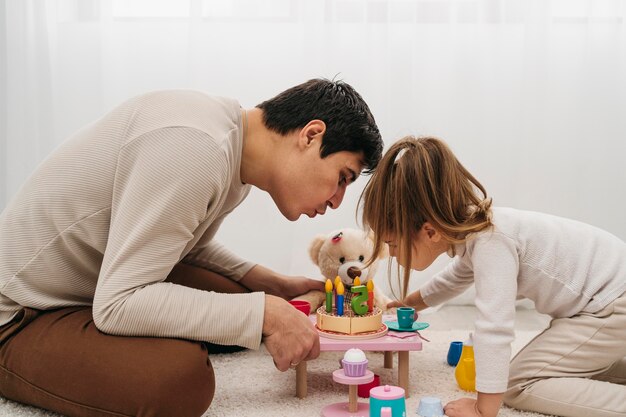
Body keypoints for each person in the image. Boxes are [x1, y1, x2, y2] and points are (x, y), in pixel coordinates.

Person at [0, 78, 383, 417]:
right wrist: (266, 314)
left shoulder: (230, 143)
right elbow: (117, 304)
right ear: (311, 135)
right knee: (182, 378)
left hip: (94, 275)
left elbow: (173, 239)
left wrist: (267, 282)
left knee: (241, 296)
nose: (336, 200)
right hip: (22, 312)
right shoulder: (197, 149)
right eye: (342, 177)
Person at [360, 136, 626, 417]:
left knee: (519, 384)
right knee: (562, 365)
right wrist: (411, 303)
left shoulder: (491, 242)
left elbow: (494, 325)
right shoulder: (480, 233)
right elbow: (455, 277)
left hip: (610, 306)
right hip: (607, 301)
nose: (392, 254)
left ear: (429, 232)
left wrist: (484, 407)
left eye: (392, 244)